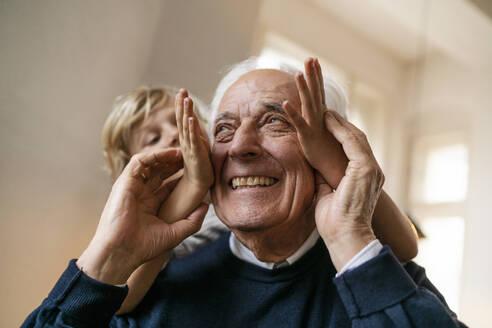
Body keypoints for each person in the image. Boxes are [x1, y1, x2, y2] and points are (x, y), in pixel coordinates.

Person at [23, 57, 466, 327]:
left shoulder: (383, 281)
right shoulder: (162, 286)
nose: (240, 146)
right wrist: (107, 259)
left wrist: (352, 235)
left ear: (326, 151)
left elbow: (402, 245)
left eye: (276, 121)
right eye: (225, 129)